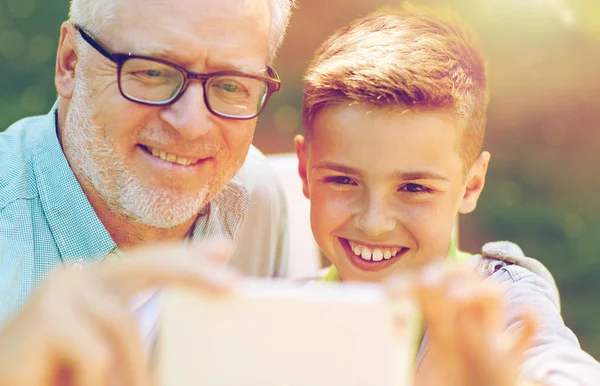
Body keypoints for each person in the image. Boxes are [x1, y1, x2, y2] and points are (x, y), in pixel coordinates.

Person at [294, 6, 600, 385]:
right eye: (343, 180)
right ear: (305, 170)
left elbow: (559, 367)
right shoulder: (286, 311)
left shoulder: (494, 299)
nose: (374, 222)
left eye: (414, 188)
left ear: (471, 186)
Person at [0, 0, 295, 384]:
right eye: (153, 72)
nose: (191, 125)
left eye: (229, 85)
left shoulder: (254, 197)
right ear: (70, 63)